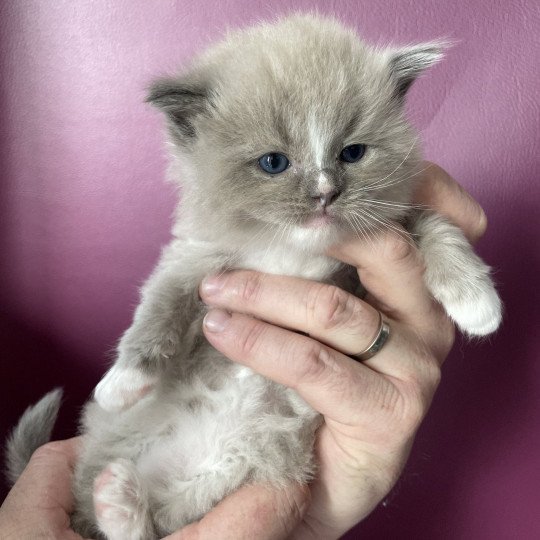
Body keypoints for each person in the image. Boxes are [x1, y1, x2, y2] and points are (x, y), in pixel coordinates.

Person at [0, 163, 488, 539]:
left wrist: (442, 251)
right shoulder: (220, 221)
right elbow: (177, 279)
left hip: (264, 434)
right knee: (172, 454)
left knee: (220, 464)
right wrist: (143, 356)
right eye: (275, 161)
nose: (320, 187)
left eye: (350, 153)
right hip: (184, 408)